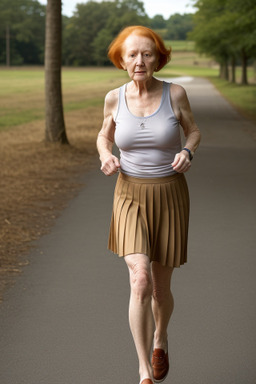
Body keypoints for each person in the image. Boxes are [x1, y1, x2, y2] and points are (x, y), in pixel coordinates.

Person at [96, 25, 201, 384]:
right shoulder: (114, 98)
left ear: (158, 58)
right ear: (121, 60)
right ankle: (143, 371)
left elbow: (194, 130)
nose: (139, 61)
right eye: (132, 55)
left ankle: (161, 337)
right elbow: (104, 134)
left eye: (147, 54)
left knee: (159, 288)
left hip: (170, 195)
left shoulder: (176, 94)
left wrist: (188, 150)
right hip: (128, 194)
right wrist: (104, 154)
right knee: (139, 280)